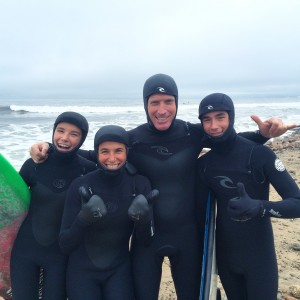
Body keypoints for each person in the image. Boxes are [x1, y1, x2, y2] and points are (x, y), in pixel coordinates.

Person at [28, 74, 296, 300]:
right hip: (147, 239)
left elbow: (229, 140)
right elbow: (95, 155)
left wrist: (264, 135)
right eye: (155, 102)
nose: (162, 108)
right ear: (146, 105)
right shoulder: (133, 140)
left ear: (177, 103)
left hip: (188, 238)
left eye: (169, 101)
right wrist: (51, 148)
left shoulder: (193, 133)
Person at [197, 93, 300, 300]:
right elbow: (199, 213)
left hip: (259, 257)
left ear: (231, 118)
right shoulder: (204, 164)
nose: (214, 125)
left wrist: (260, 207)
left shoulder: (260, 155)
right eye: (206, 119)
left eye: (220, 117)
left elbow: (297, 203)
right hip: (225, 256)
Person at [59, 125, 157, 300]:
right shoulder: (81, 185)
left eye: (118, 150)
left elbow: (146, 241)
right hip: (82, 273)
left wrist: (143, 219)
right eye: (105, 151)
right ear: (97, 153)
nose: (112, 158)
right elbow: (65, 244)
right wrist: (84, 218)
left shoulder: (140, 185)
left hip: (119, 272)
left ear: (127, 152)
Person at [10, 112, 97, 300]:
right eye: (60, 130)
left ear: (82, 139)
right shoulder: (33, 164)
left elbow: (112, 157)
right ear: (53, 131)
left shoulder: (88, 170)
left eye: (74, 134)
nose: (64, 138)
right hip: (24, 251)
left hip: (61, 257)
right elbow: (11, 200)